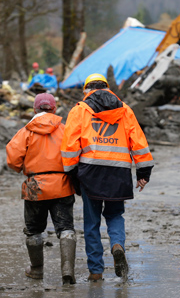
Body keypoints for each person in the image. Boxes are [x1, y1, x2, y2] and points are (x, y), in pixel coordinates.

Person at [61, 73, 154, 282]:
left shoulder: (79, 110)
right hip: (118, 172)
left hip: (89, 172)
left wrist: (71, 173)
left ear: (87, 90)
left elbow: (69, 146)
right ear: (107, 88)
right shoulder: (125, 110)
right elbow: (138, 142)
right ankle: (117, 245)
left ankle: (96, 272)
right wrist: (143, 172)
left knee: (91, 223)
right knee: (115, 215)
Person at [6, 93, 76, 285]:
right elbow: (74, 154)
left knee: (34, 230)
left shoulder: (26, 131)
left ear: (35, 110)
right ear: (54, 109)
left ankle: (37, 270)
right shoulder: (64, 130)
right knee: (66, 228)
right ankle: (67, 270)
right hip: (62, 184)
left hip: (34, 187)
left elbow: (12, 161)